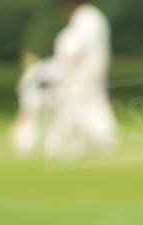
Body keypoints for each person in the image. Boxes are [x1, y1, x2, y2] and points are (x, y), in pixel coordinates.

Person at [44, 1, 118, 161]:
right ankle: (98, 140)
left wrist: (61, 75)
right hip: (93, 69)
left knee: (81, 106)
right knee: (94, 103)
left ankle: (93, 140)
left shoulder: (84, 19)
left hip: (83, 71)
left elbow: (74, 50)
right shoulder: (94, 16)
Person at [10, 50, 56, 157]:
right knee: (35, 122)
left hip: (43, 98)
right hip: (39, 99)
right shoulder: (38, 70)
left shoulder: (40, 69)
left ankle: (28, 144)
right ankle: (26, 143)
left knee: (40, 122)